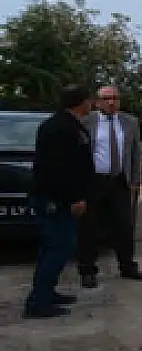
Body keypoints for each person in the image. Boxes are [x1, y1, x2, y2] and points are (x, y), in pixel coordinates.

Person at [23, 84, 95, 319]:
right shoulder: (60, 128)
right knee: (59, 248)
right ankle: (38, 303)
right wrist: (74, 198)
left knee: (51, 248)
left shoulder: (66, 125)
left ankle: (45, 293)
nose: (91, 103)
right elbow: (59, 170)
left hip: (58, 198)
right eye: (89, 99)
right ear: (81, 102)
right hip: (55, 200)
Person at [77, 85, 142, 289]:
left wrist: (135, 181)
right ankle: (88, 271)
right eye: (106, 98)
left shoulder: (130, 122)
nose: (111, 102)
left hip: (120, 181)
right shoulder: (86, 122)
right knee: (88, 227)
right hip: (93, 181)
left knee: (124, 226)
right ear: (97, 101)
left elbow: (135, 154)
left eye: (115, 98)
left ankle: (128, 266)